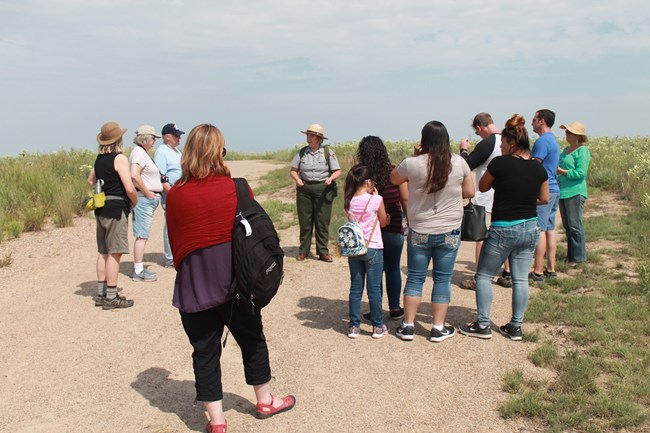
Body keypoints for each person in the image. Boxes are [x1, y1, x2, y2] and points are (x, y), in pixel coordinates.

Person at [166, 124, 295, 433]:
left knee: (205, 353)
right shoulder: (236, 187)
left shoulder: (175, 195)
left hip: (194, 287)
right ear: (218, 153)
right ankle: (265, 401)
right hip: (235, 285)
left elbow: (176, 245)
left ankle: (218, 422)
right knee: (252, 340)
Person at [459, 114, 549, 341]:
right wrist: (525, 198)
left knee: (483, 276)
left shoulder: (500, 163)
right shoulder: (539, 169)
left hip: (503, 228)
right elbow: (545, 198)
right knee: (520, 279)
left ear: (510, 143)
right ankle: (515, 327)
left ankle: (483, 324)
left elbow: (483, 186)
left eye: (504, 144)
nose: (502, 147)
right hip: (530, 227)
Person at [390, 120, 474, 342]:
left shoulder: (412, 163)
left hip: (420, 228)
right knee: (442, 279)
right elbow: (469, 192)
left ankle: (407, 325)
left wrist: (414, 154)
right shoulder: (459, 163)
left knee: (416, 278)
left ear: (423, 140)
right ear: (446, 140)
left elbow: (394, 179)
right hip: (449, 228)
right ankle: (438, 327)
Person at [356, 136, 408, 321]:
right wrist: (410, 221)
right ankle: (394, 308)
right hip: (393, 227)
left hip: (370, 231)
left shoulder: (361, 176)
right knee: (393, 268)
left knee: (374, 272)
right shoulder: (394, 173)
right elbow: (405, 199)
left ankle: (375, 310)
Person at [88, 121, 138, 309]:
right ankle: (111, 296)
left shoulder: (98, 159)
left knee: (103, 252)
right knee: (115, 254)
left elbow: (90, 180)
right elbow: (128, 185)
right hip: (116, 208)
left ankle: (101, 293)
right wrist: (134, 200)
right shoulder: (119, 158)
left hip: (101, 208)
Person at [458, 112, 512, 289]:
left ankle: (479, 276)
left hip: (486, 196)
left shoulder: (488, 143)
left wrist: (463, 150)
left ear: (479, 127)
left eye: (477, 132)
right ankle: (507, 273)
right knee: (505, 236)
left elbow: (467, 165)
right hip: (505, 194)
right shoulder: (508, 139)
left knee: (481, 236)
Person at [344, 165, 389, 339]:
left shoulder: (349, 200)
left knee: (355, 288)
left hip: (355, 249)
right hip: (373, 247)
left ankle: (353, 326)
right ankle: (377, 326)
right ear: (368, 182)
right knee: (374, 289)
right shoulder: (376, 200)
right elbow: (383, 222)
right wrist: (377, 197)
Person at [290, 124, 341, 262]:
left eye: (311, 135)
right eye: (307, 135)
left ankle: (323, 252)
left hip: (323, 188)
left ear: (319, 138)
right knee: (305, 221)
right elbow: (293, 170)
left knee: (322, 221)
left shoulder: (328, 152)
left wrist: (331, 179)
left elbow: (337, 171)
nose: (309, 138)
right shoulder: (301, 152)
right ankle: (303, 251)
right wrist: (297, 179)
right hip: (304, 189)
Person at [529, 109, 561, 282]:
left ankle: (538, 270)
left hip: (544, 189)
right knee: (550, 228)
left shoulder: (542, 141)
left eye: (534, 119)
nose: (531, 122)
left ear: (541, 121)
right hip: (555, 189)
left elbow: (535, 167)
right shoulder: (553, 140)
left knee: (539, 229)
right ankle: (551, 268)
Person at [130, 125, 163, 282]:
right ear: (145, 138)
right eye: (153, 138)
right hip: (144, 199)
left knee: (143, 235)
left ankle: (139, 268)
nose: (154, 141)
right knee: (142, 235)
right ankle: (138, 270)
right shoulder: (138, 153)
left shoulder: (143, 153)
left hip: (147, 199)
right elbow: (134, 175)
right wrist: (147, 192)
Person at [557, 121, 591, 265]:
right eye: (566, 131)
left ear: (577, 135)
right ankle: (571, 255)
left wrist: (562, 172)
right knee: (568, 225)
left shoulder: (582, 151)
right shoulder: (566, 150)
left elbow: (581, 173)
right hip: (563, 191)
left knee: (575, 225)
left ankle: (578, 257)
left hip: (575, 192)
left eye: (569, 132)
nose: (566, 134)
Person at [154, 123, 184, 268]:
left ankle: (178, 253)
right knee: (171, 224)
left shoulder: (176, 151)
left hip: (180, 192)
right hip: (170, 193)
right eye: (176, 135)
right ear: (167, 137)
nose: (179, 138)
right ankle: (170, 258)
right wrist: (171, 193)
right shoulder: (162, 152)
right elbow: (160, 176)